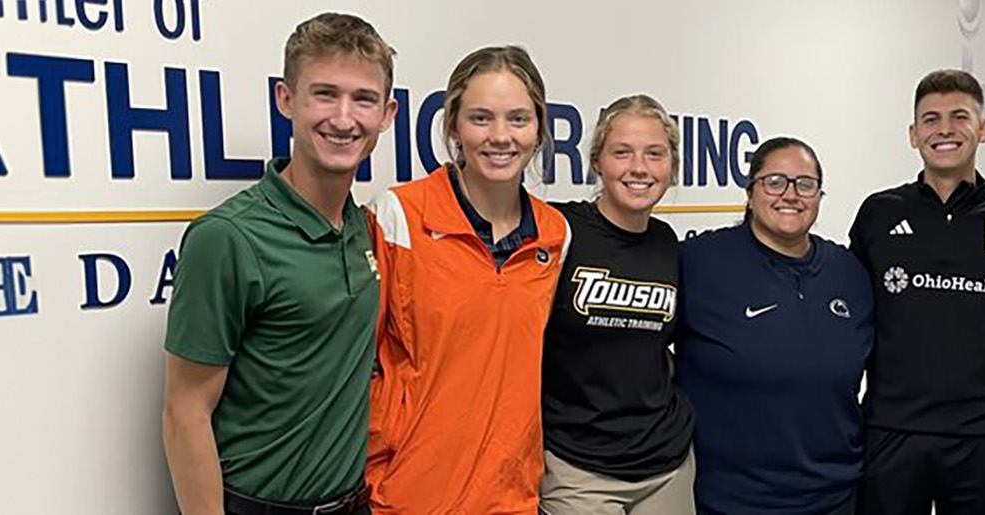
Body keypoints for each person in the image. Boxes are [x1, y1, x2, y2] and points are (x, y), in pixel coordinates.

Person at [161, 12, 395, 515]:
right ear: (286, 100)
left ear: (388, 114)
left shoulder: (362, 229)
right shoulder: (227, 238)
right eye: (324, 93)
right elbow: (185, 414)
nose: (343, 117)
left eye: (363, 99)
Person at [363, 45, 570, 515]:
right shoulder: (398, 215)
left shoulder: (555, 234)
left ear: (539, 129)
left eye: (518, 119)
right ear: (454, 124)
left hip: (510, 497)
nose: (500, 136)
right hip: (409, 495)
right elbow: (358, 363)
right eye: (481, 118)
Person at [849, 69, 985, 514]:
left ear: (983, 128)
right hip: (891, 432)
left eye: (960, 116)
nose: (944, 130)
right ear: (913, 134)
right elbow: (847, 317)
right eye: (930, 119)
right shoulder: (878, 213)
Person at [676, 137, 872, 515]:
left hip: (836, 496)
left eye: (805, 184)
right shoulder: (699, 262)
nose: (791, 194)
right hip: (730, 500)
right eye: (775, 181)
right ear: (750, 193)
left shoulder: (850, 272)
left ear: (818, 195)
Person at [540, 94, 697, 514]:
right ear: (597, 161)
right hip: (578, 469)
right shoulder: (560, 230)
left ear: (671, 166)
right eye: (622, 152)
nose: (639, 168)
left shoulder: (668, 243)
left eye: (655, 154)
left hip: (666, 465)